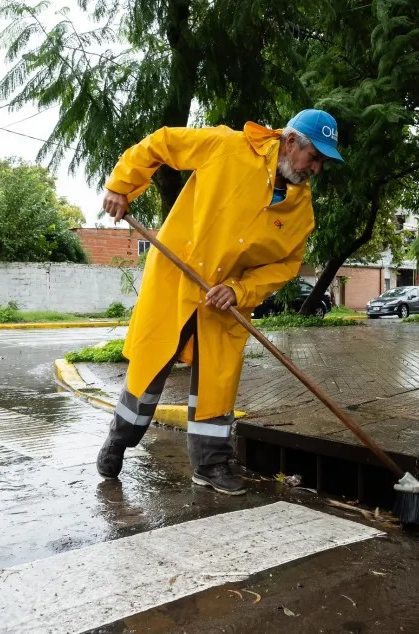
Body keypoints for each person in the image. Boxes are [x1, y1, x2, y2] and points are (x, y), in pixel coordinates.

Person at [96, 109, 344, 495]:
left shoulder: (301, 212)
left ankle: (211, 465)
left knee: (217, 382)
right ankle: (118, 440)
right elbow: (161, 142)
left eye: (323, 162)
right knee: (151, 368)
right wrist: (120, 185)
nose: (317, 169)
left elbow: (285, 266)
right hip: (176, 283)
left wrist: (240, 291)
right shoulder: (227, 147)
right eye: (315, 158)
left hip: (224, 304)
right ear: (291, 142)